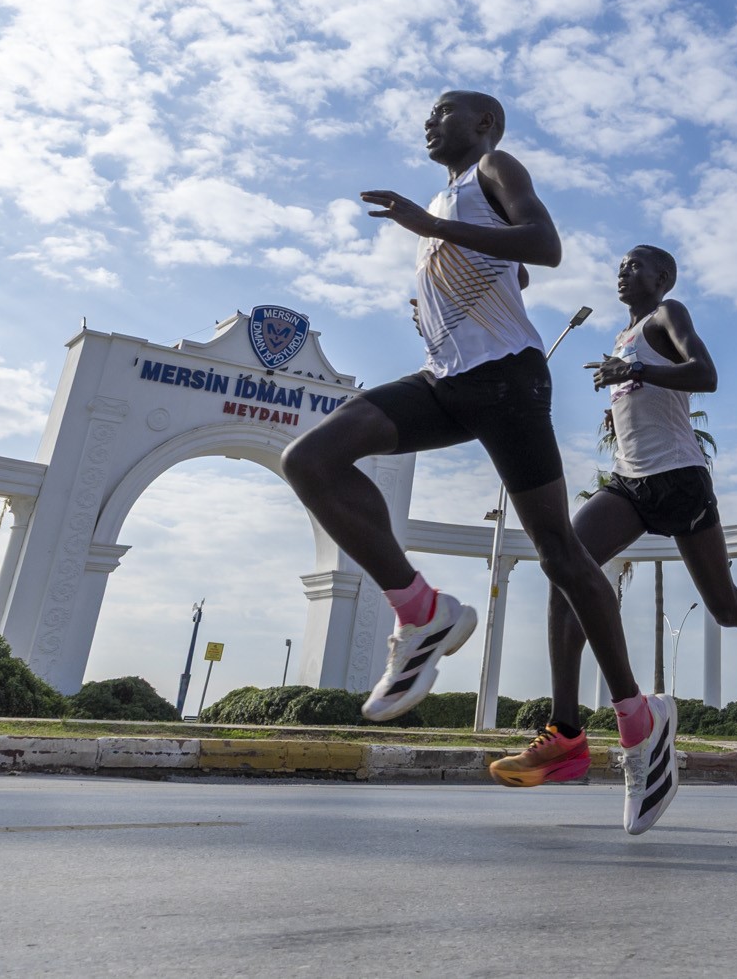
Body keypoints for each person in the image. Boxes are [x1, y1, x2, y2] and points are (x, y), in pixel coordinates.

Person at [283, 91, 676, 834]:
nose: (430, 122)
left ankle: (637, 717)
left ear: (485, 125)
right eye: (429, 115)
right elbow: (510, 268)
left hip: (507, 380)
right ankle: (422, 612)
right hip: (449, 376)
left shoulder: (493, 167)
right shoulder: (445, 197)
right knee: (312, 458)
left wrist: (432, 229)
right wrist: (440, 290)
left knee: (561, 551)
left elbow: (543, 243)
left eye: (445, 112)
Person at [491, 246, 737, 789]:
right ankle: (565, 731)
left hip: (680, 480)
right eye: (621, 264)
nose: (624, 270)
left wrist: (636, 369)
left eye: (637, 265)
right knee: (564, 565)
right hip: (629, 482)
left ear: (662, 278)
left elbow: (706, 374)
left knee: (726, 605)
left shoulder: (669, 315)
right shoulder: (622, 336)